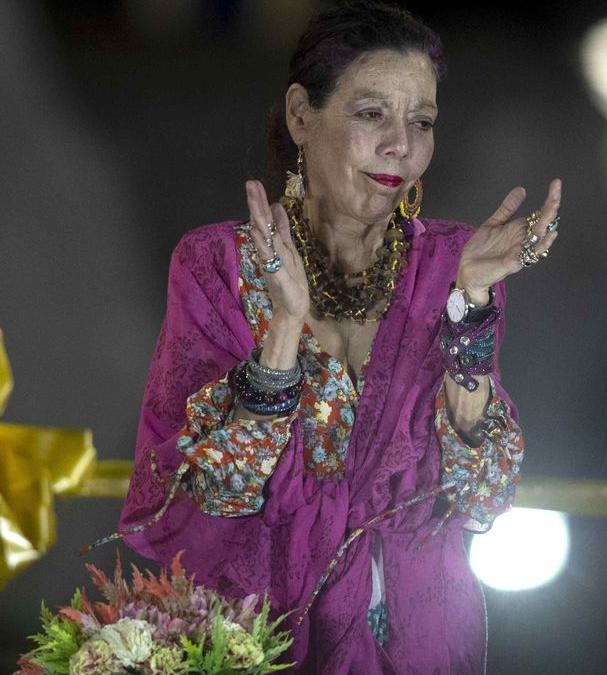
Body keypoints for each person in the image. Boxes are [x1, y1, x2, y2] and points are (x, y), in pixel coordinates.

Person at [113, 3, 562, 672]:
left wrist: (469, 306)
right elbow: (202, 496)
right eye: (371, 114)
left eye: (422, 122)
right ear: (301, 115)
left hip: (417, 636)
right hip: (255, 632)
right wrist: (284, 331)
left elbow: (480, 495)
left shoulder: (456, 265)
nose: (400, 147)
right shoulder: (220, 266)